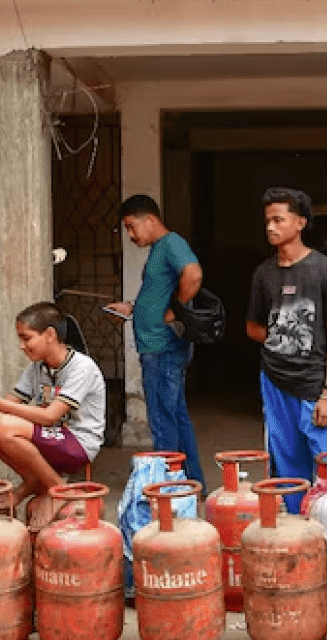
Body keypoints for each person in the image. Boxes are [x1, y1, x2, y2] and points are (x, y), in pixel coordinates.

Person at [246, 187, 327, 514]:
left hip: (314, 383)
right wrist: (283, 337)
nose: (271, 227)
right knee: (286, 460)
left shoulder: (325, 271)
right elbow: (252, 327)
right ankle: (294, 524)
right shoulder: (263, 273)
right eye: (267, 221)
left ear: (300, 222)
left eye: (279, 220)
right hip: (274, 380)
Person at [0, 302, 105, 527]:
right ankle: (32, 481)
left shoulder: (82, 367)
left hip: (78, 443)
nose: (22, 346)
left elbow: (50, 416)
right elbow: (3, 407)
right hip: (50, 437)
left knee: (3, 426)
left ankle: (57, 489)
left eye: (27, 338)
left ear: (50, 335)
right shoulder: (36, 368)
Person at [105, 195, 205, 486]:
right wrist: (132, 308)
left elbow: (193, 275)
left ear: (150, 219)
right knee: (175, 416)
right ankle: (191, 482)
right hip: (158, 347)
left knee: (163, 421)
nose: (130, 234)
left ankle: (169, 489)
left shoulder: (171, 243)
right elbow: (157, 295)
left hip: (162, 348)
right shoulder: (161, 249)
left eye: (131, 226)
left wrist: (176, 311)